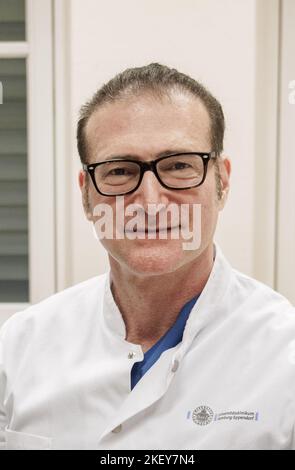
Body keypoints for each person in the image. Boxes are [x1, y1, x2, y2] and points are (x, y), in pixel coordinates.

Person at [0, 63, 295, 450]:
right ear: (87, 194)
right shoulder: (18, 347)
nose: (151, 203)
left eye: (178, 166)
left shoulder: (284, 355)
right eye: (120, 171)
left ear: (222, 182)